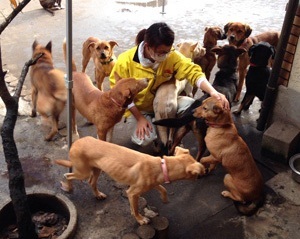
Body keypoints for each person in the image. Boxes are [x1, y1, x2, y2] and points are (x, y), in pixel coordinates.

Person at [110, 22, 229, 148]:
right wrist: (139, 118)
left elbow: (192, 71)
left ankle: (168, 135)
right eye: (161, 52)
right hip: (139, 108)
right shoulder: (125, 61)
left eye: (168, 51)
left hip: (162, 102)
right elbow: (119, 95)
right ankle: (157, 134)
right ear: (147, 46)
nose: (165, 55)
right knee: (145, 138)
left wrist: (212, 92)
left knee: (196, 108)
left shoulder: (171, 55)